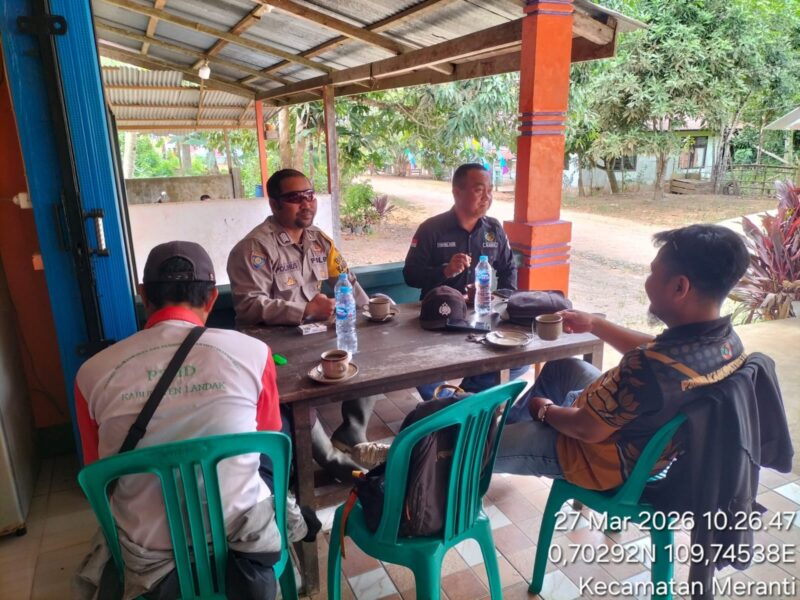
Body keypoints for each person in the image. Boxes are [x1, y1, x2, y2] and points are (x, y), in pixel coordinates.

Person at [74, 241, 315, 600]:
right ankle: (297, 523)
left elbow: (98, 473)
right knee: (263, 457)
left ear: (144, 295)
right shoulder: (254, 353)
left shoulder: (90, 373)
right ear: (213, 298)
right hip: (246, 546)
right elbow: (267, 439)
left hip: (148, 557)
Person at [494, 224, 752, 491]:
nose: (648, 281)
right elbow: (655, 348)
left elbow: (586, 429)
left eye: (653, 272)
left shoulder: (647, 367)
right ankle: (512, 429)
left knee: (473, 451)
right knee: (562, 368)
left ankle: (496, 443)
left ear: (679, 287)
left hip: (599, 457)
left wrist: (545, 409)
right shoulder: (725, 343)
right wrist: (595, 324)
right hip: (642, 438)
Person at [227, 168, 387, 481]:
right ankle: (332, 460)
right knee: (293, 391)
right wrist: (304, 310)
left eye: (310, 195)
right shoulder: (254, 249)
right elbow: (248, 306)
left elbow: (346, 281)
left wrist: (371, 311)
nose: (306, 204)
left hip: (313, 335)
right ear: (274, 205)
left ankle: (352, 432)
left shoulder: (320, 241)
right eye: (295, 198)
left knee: (366, 349)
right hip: (271, 346)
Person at [403, 162, 527, 399]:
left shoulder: (493, 229)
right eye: (480, 190)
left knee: (521, 360)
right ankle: (452, 406)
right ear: (457, 192)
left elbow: (508, 268)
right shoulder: (431, 229)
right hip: (440, 318)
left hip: (480, 314)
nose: (487, 197)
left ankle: (464, 399)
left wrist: (500, 298)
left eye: (490, 190)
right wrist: (445, 271)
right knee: (421, 370)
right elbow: (410, 275)